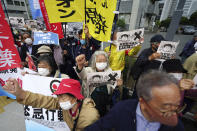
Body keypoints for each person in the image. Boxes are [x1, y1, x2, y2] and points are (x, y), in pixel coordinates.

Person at [85, 70, 184, 131]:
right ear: (143, 102)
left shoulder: (175, 125)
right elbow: (100, 127)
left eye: (176, 106)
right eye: (165, 106)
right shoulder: (122, 110)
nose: (173, 114)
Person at [3, 78, 99, 131]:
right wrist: (20, 93)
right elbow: (41, 100)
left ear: (75, 97)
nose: (60, 101)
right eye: (58, 96)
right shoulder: (65, 105)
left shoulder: (90, 115)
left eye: (63, 97)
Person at [75, 51, 122, 116]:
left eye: (104, 61)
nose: (102, 63)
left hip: (105, 102)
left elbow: (112, 86)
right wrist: (80, 65)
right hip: (91, 101)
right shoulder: (89, 70)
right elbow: (82, 75)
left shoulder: (109, 71)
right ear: (94, 61)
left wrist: (117, 84)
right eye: (99, 61)